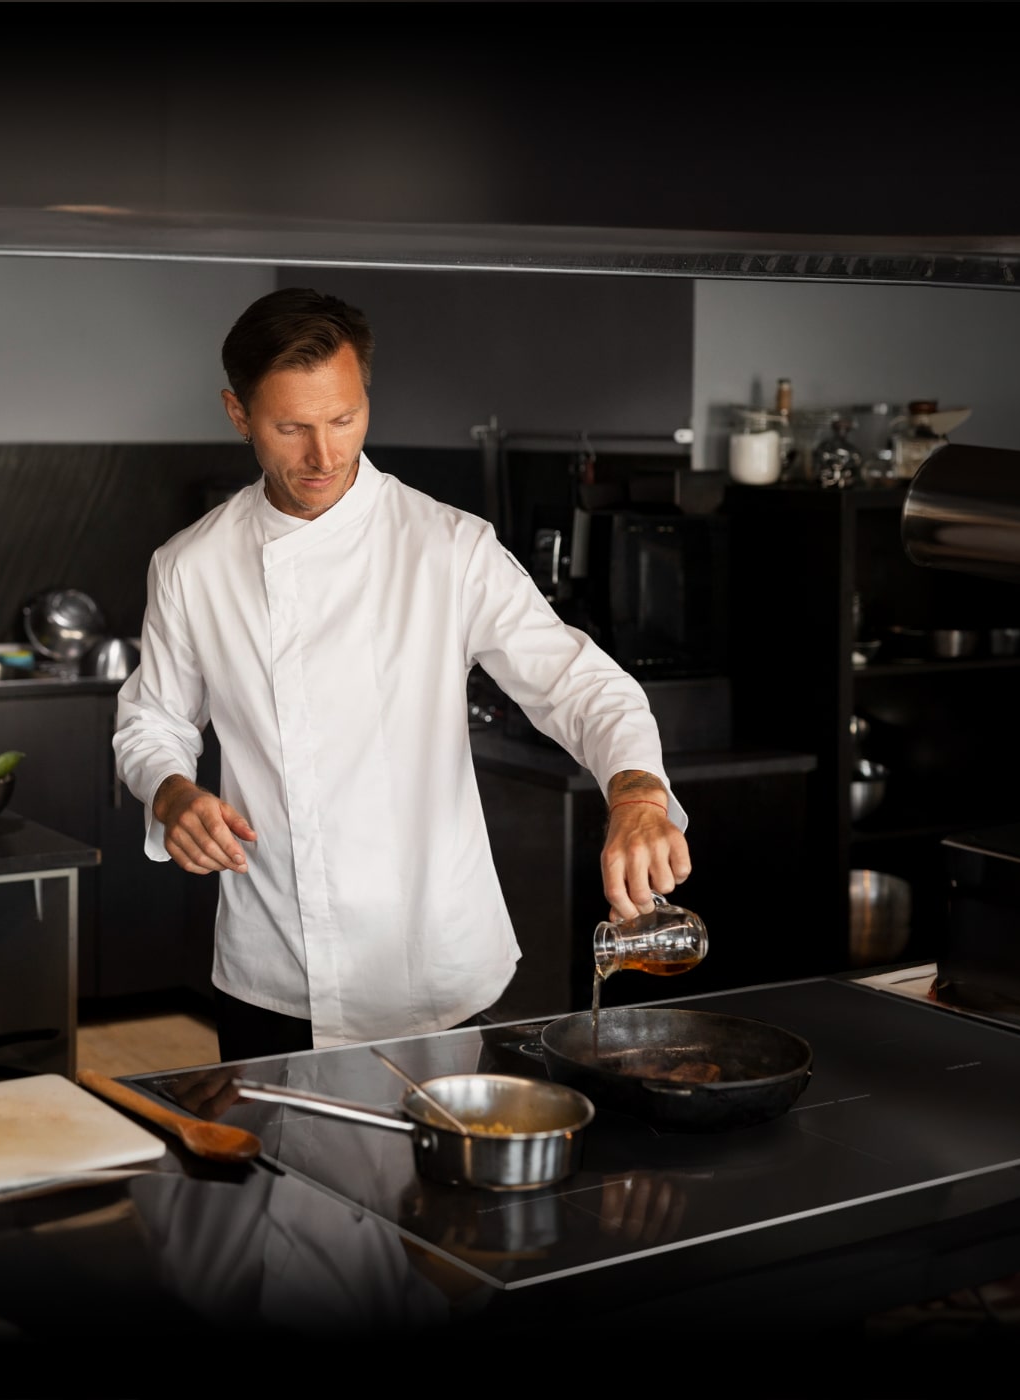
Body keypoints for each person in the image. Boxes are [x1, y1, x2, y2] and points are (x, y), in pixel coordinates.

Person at [113, 288, 691, 1055]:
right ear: (237, 413)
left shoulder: (447, 546)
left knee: (441, 1174)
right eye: (292, 428)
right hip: (273, 968)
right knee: (276, 1176)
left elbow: (576, 682)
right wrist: (172, 790)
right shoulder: (193, 565)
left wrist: (639, 791)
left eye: (344, 419)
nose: (323, 456)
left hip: (432, 968)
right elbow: (153, 719)